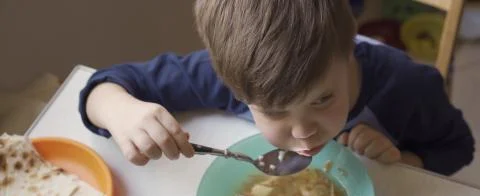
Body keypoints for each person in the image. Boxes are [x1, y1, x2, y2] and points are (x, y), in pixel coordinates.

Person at [78, 0, 474, 176]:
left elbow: (457, 148)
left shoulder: (408, 87)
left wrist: (403, 161)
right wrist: (120, 111)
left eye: (322, 99)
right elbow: (105, 87)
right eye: (273, 110)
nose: (303, 133)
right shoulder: (231, 72)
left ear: (349, 48)